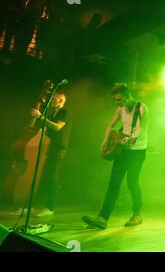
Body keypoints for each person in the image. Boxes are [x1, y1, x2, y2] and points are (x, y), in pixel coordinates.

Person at [82, 83, 149, 229]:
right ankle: (102, 218)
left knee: (132, 182)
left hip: (137, 151)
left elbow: (141, 129)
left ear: (127, 95)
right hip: (123, 150)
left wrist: (132, 137)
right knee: (114, 184)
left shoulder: (141, 108)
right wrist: (105, 141)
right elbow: (110, 126)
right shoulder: (120, 109)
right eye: (116, 100)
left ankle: (137, 214)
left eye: (119, 99)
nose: (117, 103)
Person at [31, 91, 72, 217]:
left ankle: (50, 207)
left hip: (59, 149)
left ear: (60, 102)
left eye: (54, 99)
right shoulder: (51, 113)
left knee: (52, 177)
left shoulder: (65, 112)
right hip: (48, 148)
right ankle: (32, 206)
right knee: (42, 177)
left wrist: (41, 117)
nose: (51, 100)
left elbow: (57, 127)